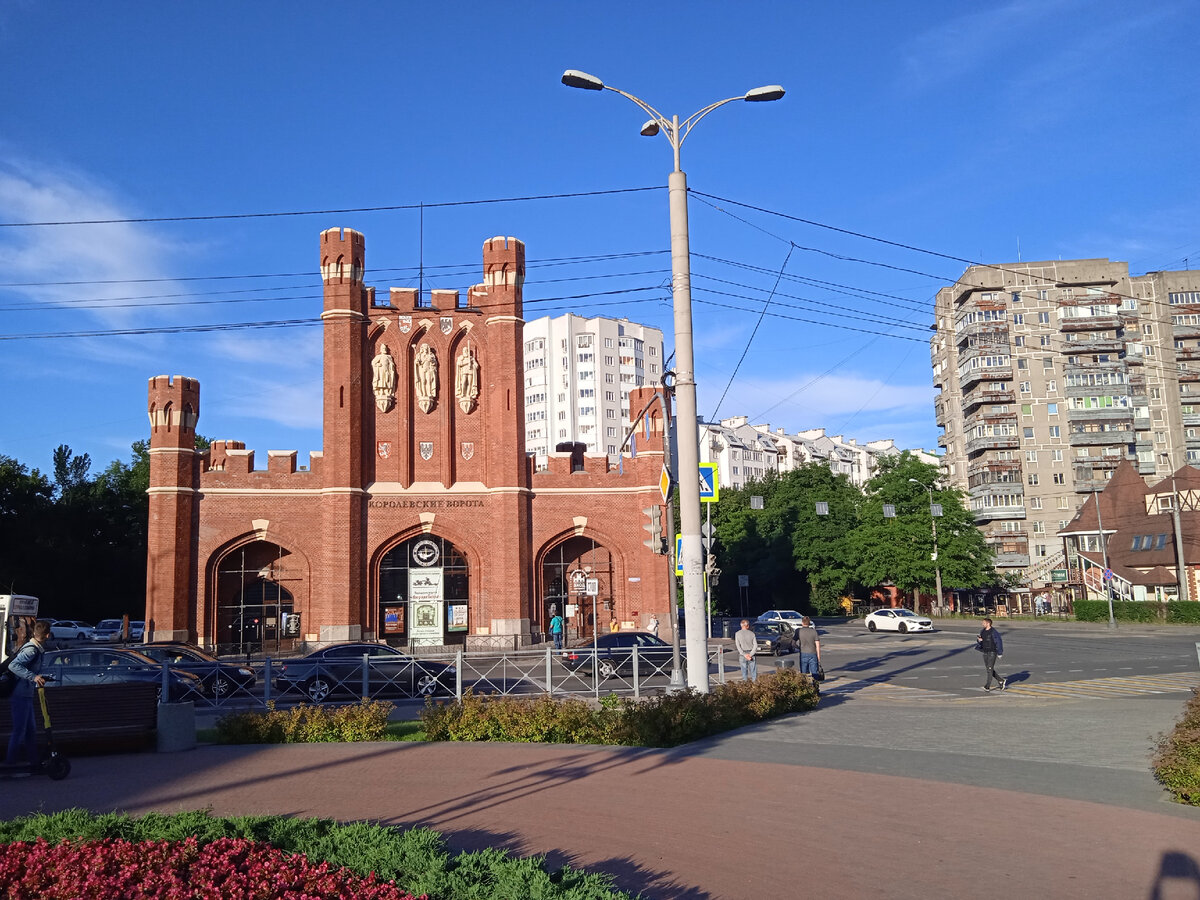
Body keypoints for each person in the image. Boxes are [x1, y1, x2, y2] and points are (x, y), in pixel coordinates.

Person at [5, 619, 50, 776]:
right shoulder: (31, 650)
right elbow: (13, 666)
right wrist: (33, 677)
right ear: (47, 635)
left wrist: (39, 676)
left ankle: (33, 762)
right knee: (20, 730)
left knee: (30, 730)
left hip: (26, 694)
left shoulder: (35, 648)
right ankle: (9, 765)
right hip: (20, 694)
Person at [976, 617, 1006, 691]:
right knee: (989, 669)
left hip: (992, 652)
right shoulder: (982, 631)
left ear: (988, 623)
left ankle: (987, 686)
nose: (982, 624)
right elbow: (981, 641)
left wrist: (1000, 653)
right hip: (985, 652)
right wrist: (979, 640)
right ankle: (1001, 680)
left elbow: (998, 642)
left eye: (984, 623)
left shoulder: (993, 632)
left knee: (989, 668)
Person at [795, 616, 822, 693]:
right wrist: (818, 657)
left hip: (803, 653)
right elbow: (817, 645)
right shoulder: (813, 632)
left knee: (803, 673)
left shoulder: (798, 631)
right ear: (809, 623)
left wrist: (798, 648)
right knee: (814, 672)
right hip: (813, 653)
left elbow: (793, 642)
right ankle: (816, 689)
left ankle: (804, 689)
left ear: (802, 623)